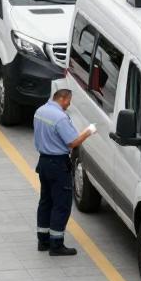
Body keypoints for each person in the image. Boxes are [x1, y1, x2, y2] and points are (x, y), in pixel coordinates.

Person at [32, 88, 95, 257]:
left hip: (43, 162)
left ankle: (43, 241)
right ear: (62, 98)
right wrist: (88, 132)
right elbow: (72, 142)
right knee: (61, 205)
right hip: (58, 165)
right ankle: (56, 244)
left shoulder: (40, 111)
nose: (69, 104)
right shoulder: (60, 118)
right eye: (68, 101)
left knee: (45, 201)